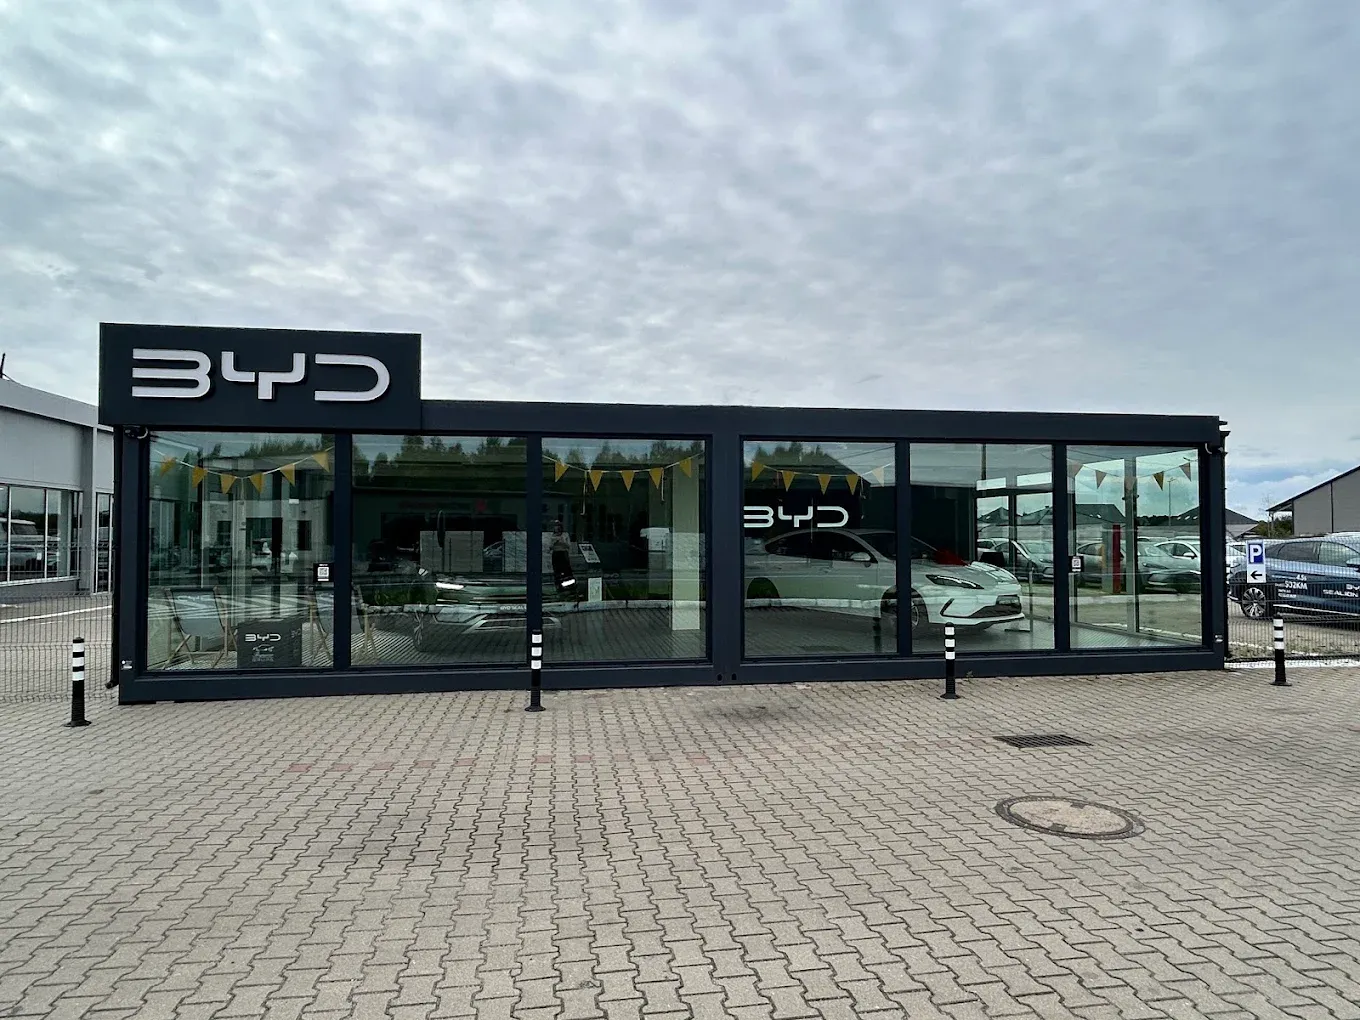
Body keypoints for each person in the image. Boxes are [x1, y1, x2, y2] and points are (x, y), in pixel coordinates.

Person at [550, 520, 576, 589]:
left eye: (557, 526)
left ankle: (569, 585)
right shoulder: (552, 535)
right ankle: (559, 585)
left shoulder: (565, 535)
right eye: (555, 526)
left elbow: (568, 545)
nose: (556, 528)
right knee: (557, 570)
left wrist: (562, 542)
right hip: (556, 553)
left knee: (566, 569)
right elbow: (550, 547)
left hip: (563, 553)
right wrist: (555, 542)